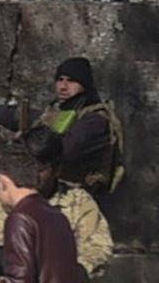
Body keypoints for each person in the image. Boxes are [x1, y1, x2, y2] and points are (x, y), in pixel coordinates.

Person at [33, 57, 122, 197]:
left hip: (79, 197)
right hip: (55, 192)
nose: (63, 86)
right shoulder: (60, 111)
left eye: (71, 81)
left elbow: (67, 149)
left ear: (84, 84)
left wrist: (32, 138)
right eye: (60, 79)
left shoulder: (95, 120)